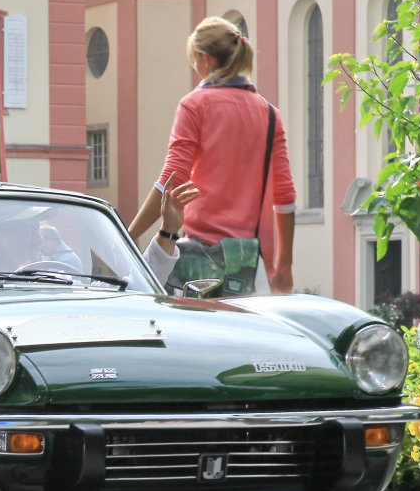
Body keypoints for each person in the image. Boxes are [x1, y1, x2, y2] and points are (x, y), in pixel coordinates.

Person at [126, 16, 296, 295]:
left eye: (194, 61)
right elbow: (285, 195)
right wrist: (284, 265)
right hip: (251, 267)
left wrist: (129, 236)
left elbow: (172, 178)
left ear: (205, 59)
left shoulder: (194, 105)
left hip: (199, 263)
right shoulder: (269, 114)